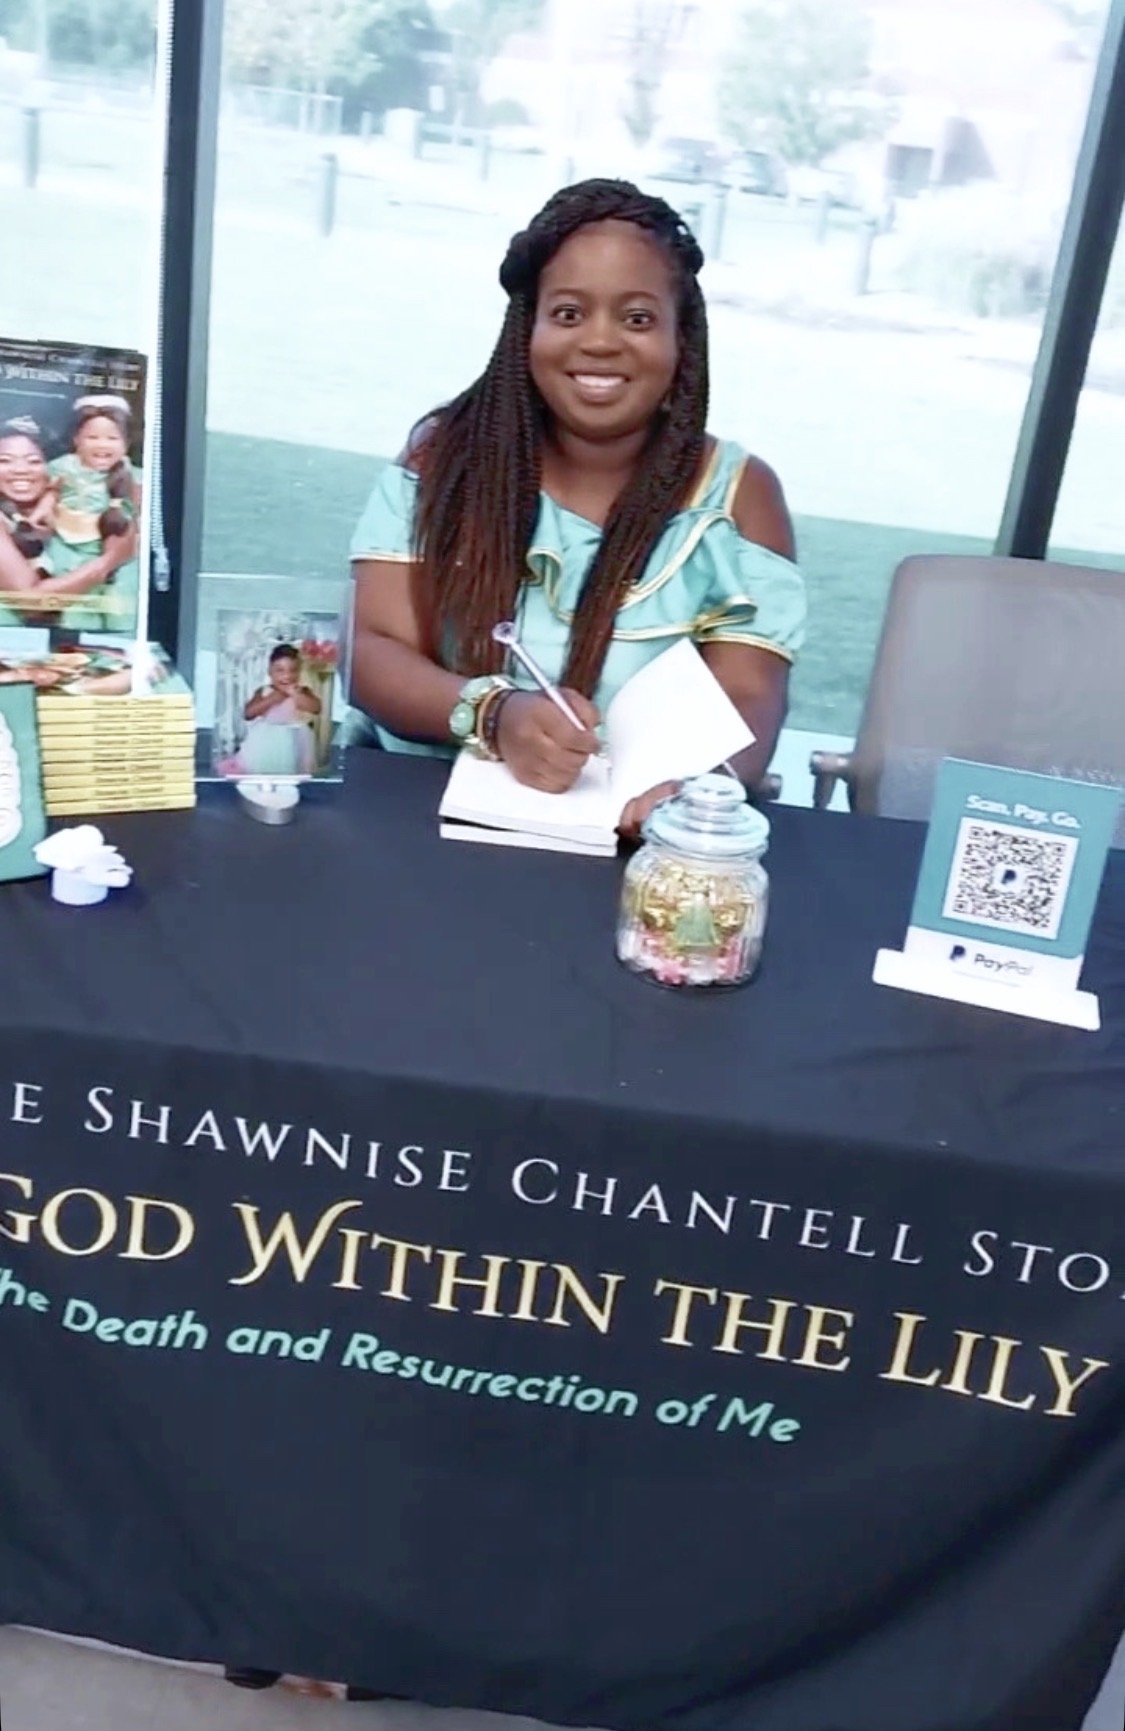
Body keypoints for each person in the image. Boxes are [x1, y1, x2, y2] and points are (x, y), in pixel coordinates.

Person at [349, 177, 805, 835]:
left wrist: (688, 795)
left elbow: (749, 693)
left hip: (633, 845)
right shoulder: (440, 457)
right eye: (567, 313)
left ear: (683, 343)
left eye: (637, 318)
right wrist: (493, 713)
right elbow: (370, 650)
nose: (599, 341)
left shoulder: (740, 496)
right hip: (421, 821)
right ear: (525, 328)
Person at [0, 418, 137, 625]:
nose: (20, 469)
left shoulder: (77, 516)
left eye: (34, 461)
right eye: (4, 461)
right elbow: (30, 601)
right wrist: (110, 560)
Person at [234, 644, 322, 777]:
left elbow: (316, 708)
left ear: (299, 672)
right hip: (266, 738)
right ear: (270, 672)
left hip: (295, 737)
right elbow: (248, 714)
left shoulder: (302, 691)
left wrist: (295, 695)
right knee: (263, 770)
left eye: (293, 670)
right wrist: (272, 699)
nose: (287, 676)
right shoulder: (264, 691)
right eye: (280, 670)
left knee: (293, 772)